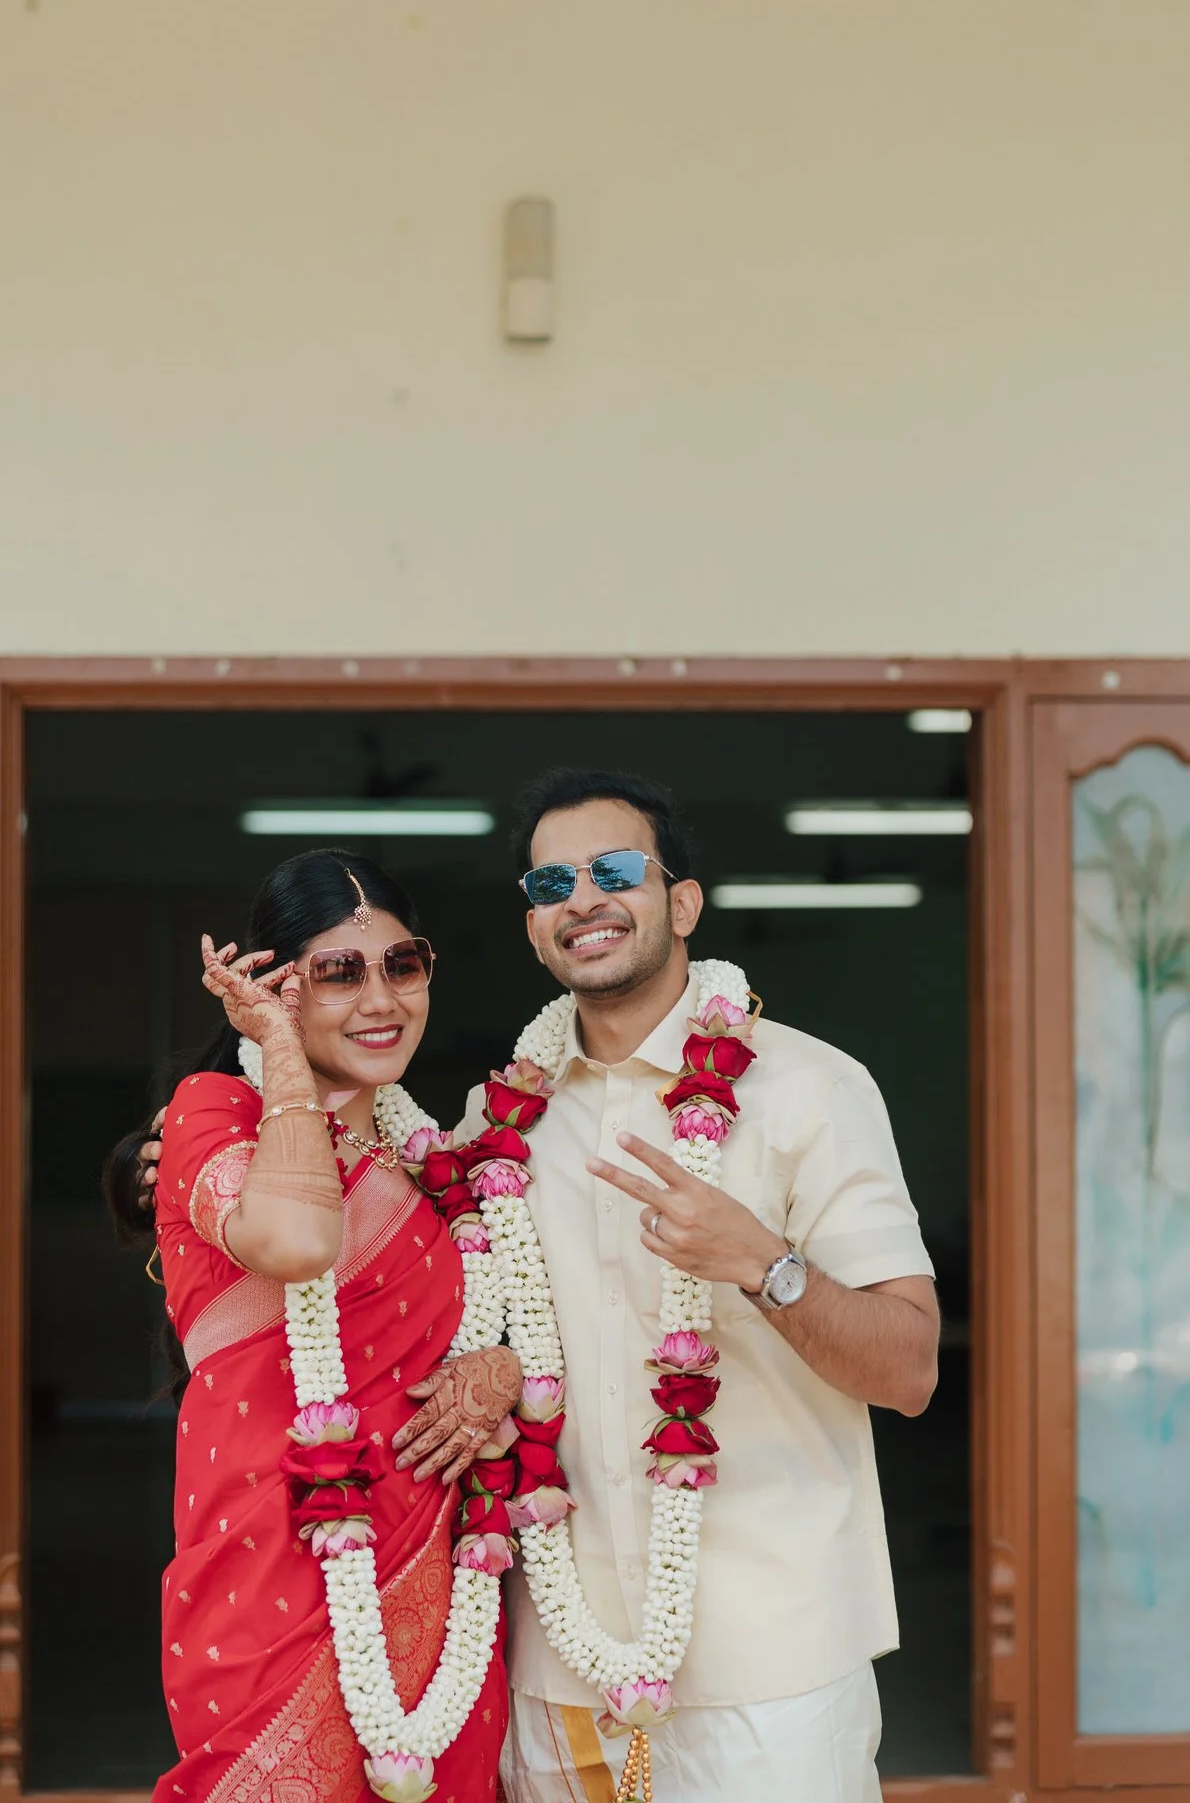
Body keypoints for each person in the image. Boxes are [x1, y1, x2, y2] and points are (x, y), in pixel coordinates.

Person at [462, 768, 939, 1803]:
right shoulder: (495, 1122)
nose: (581, 897)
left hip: (770, 1662)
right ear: (535, 926)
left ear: (681, 902)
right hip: (562, 1664)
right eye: (550, 881)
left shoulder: (808, 1088)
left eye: (614, 869)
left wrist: (763, 1263)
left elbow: (908, 1367)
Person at [106, 849, 517, 1803]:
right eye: (339, 971)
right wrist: (283, 1056)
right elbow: (293, 1238)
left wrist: (495, 1370)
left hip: (437, 1591)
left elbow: (498, 1330)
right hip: (268, 1575)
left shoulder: (435, 1163)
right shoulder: (212, 1116)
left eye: (401, 965)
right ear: (277, 986)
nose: (380, 998)